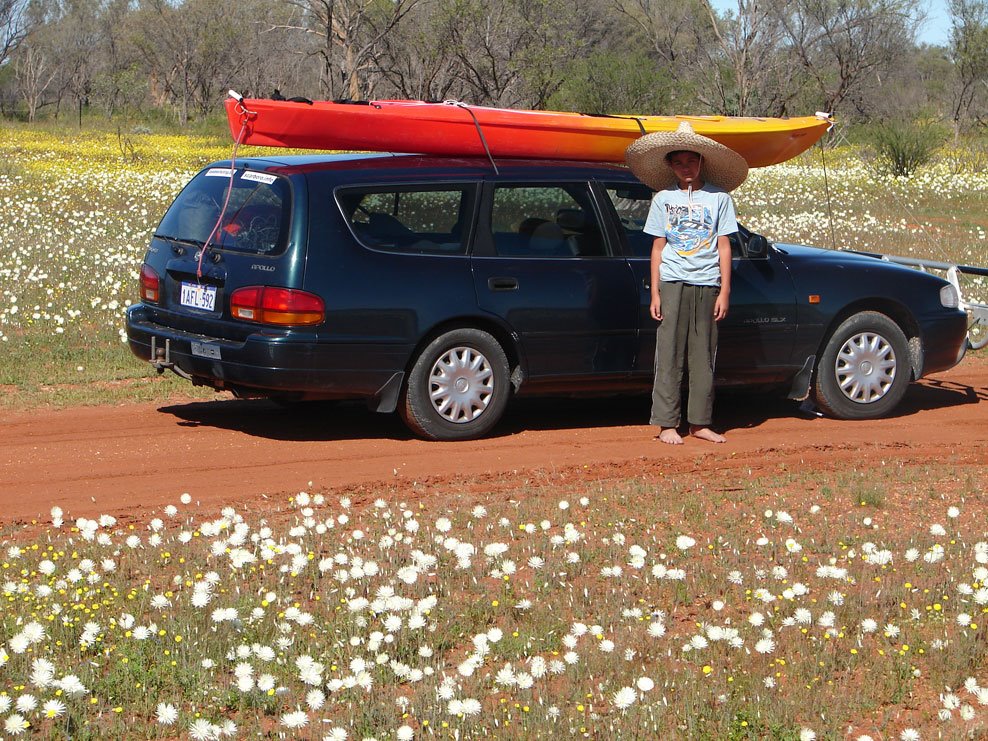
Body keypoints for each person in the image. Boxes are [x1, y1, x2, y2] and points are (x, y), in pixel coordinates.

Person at [625, 121, 748, 444]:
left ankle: (700, 422)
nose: (685, 168)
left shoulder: (719, 199)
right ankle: (667, 423)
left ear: (701, 161)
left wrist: (725, 291)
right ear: (670, 165)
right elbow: (657, 247)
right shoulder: (663, 199)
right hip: (672, 280)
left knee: (703, 353)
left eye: (690, 161)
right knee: (669, 353)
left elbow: (724, 246)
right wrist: (655, 292)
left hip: (707, 282)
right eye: (678, 163)